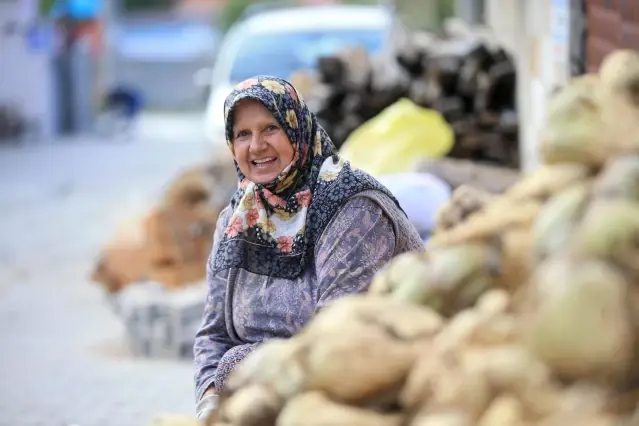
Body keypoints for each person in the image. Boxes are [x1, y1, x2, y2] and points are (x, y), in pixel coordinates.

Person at [193, 76, 424, 419]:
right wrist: (210, 403)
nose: (256, 146)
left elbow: (336, 341)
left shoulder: (351, 207)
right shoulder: (237, 219)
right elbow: (213, 334)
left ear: (297, 130)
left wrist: (241, 364)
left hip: (371, 395)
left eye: (270, 128)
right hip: (267, 400)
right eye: (243, 134)